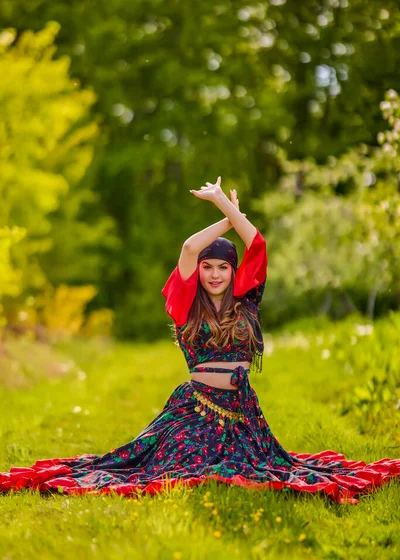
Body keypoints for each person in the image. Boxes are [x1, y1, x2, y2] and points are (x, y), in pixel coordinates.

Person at [1, 177, 399, 504]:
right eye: (207, 268)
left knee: (260, 468)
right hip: (194, 410)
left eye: (222, 267)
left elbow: (256, 244)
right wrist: (225, 216)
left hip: (242, 411)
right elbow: (190, 247)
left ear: (232, 271)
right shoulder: (185, 304)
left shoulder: (247, 299)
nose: (213, 274)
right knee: (182, 468)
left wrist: (228, 205)